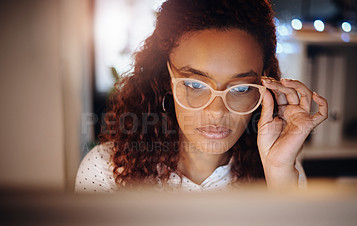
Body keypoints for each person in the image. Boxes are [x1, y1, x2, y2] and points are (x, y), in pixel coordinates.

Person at [75, 0, 328, 193]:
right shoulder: (106, 170)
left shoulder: (282, 170)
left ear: (265, 84)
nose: (217, 111)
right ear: (167, 76)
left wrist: (278, 173)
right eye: (195, 85)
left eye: (240, 88)